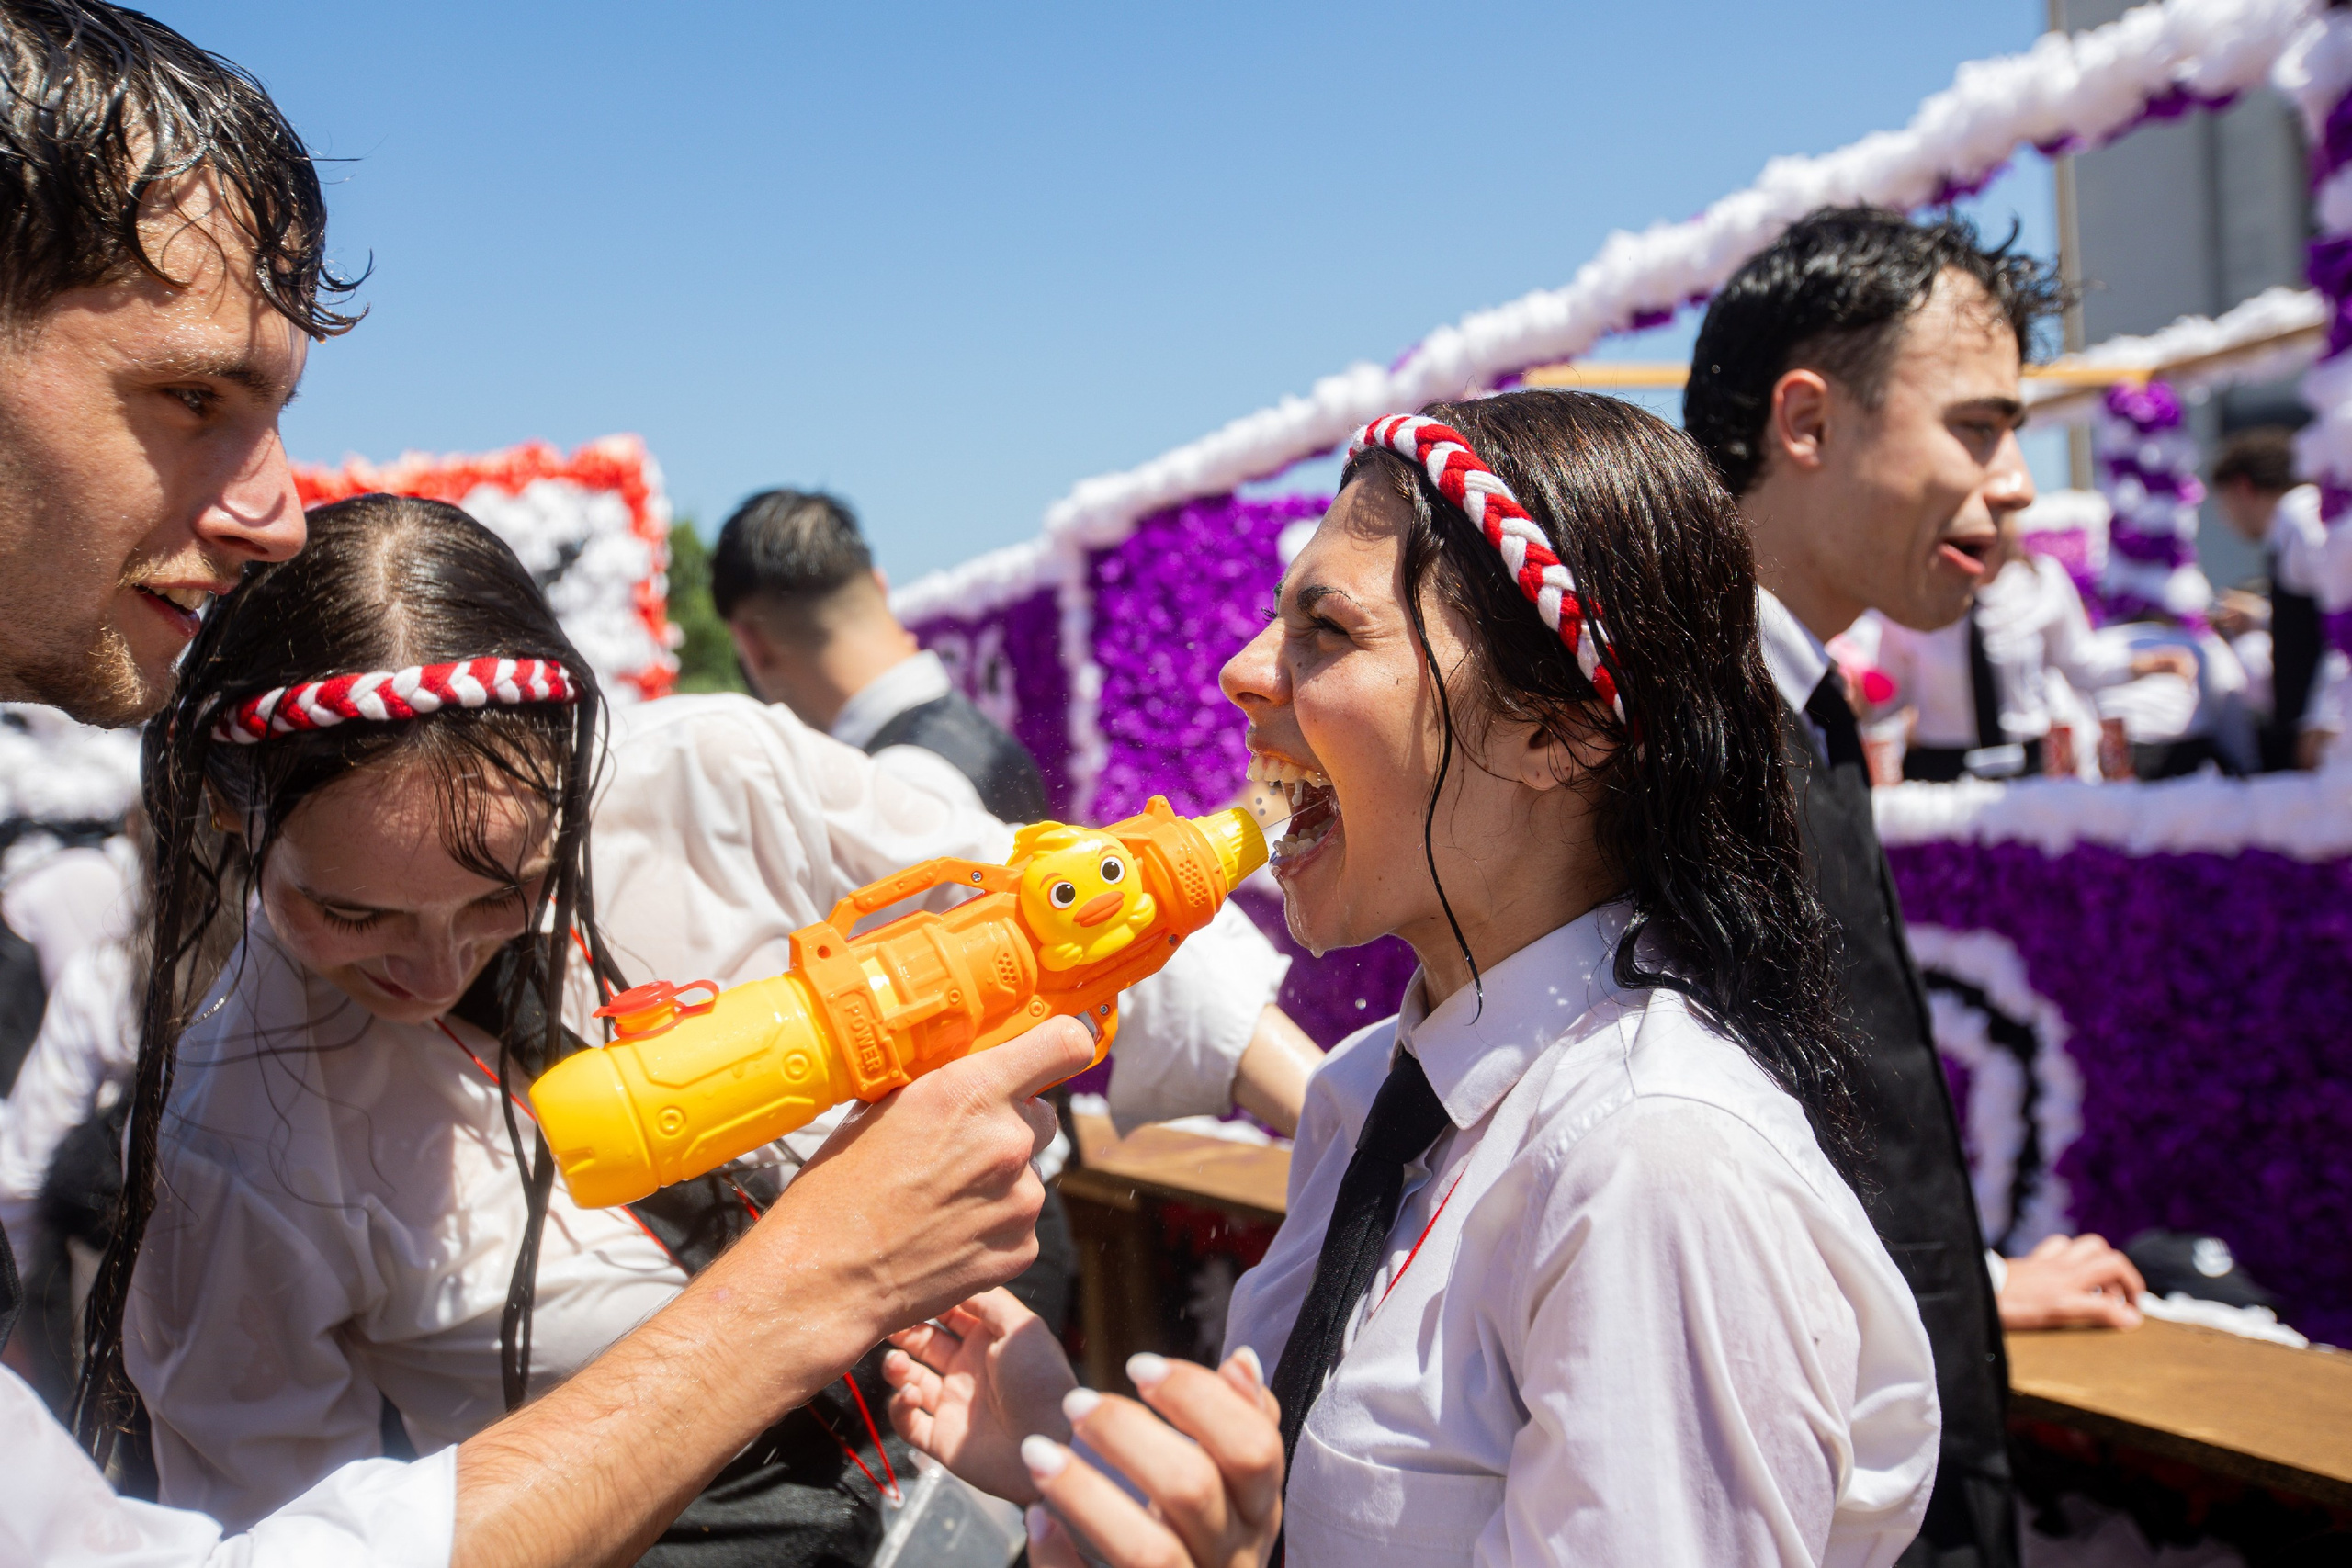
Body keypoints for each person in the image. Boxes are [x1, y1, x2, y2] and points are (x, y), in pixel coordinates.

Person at [0, 5, 1083, 1564]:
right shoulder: (246, 1131)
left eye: (505, 889)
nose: (276, 513)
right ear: (236, 826)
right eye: (191, 397)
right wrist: (816, 1276)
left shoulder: (708, 776)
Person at [886, 392, 1945, 1567]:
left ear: (1556, 731)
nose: (1243, 672)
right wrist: (1062, 1440)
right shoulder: (1364, 1098)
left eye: (1327, 630)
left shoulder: (1656, 1166)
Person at [1683, 207, 2149, 1568]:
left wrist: (1970, 1288)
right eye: (1979, 428)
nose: (2016, 485)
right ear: (1807, 422)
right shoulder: (1674, 743)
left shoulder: (1781, 697)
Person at [713, 486, 1324, 1138]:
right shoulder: (964, 733)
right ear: (879, 586)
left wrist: (1345, 1122)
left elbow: (1103, 929)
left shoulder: (898, 779)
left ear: (750, 642)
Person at [1867, 531, 2191, 783]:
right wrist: (1859, 695)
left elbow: (2079, 663)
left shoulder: (2041, 580)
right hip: (1944, 769)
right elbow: (1890, 690)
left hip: (2029, 765)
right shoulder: (1910, 590)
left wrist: (2150, 664)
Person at [2209, 429, 2345, 771]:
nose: (2225, 518)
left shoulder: (2300, 519)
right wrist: (2261, 618)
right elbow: (2319, 613)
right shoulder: (2294, 523)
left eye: (2222, 504)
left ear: (2242, 488)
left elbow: (2345, 616)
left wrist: (2323, 716)